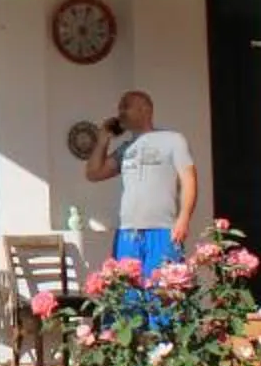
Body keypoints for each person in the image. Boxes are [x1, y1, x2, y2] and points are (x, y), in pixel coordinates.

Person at [83, 88, 197, 280]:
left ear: (145, 109)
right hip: (128, 233)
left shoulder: (172, 140)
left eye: (125, 106)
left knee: (163, 294)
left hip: (163, 230)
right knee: (128, 299)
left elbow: (189, 179)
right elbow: (93, 173)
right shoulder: (125, 149)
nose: (119, 112)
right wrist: (103, 140)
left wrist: (184, 218)